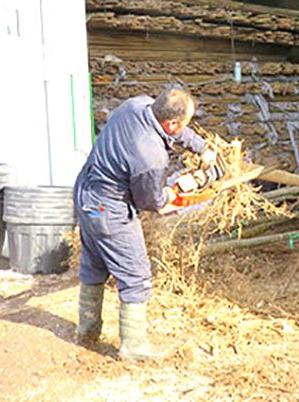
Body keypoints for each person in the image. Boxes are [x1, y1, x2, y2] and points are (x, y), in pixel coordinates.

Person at [73, 87, 215, 361]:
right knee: (136, 275)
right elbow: (152, 202)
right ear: (172, 123)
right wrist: (175, 192)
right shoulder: (151, 156)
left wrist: (202, 147)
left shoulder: (136, 104)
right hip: (109, 207)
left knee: (94, 264)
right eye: (183, 124)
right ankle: (134, 347)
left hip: (86, 194)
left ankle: (87, 331)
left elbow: (175, 130)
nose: (183, 128)